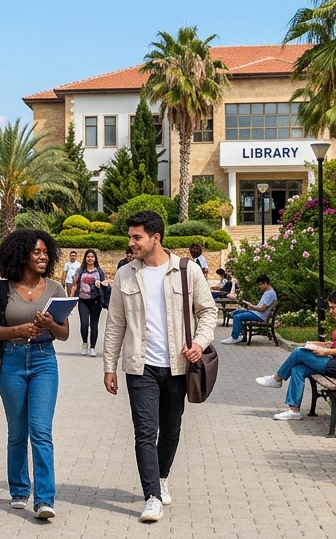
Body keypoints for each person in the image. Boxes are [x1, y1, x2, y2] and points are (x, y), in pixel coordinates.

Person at [103, 210, 217, 524]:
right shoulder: (125, 274)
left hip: (179, 366)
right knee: (144, 432)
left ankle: (162, 477)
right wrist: (109, 367)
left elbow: (208, 312)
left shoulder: (186, 270)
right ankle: (151, 495)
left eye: (136, 236)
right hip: (140, 367)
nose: (131, 242)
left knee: (171, 430)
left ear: (156, 238)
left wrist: (199, 342)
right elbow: (115, 324)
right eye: (130, 236)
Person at [0, 228, 69, 521]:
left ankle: (44, 499)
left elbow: (65, 334)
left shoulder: (56, 289)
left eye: (45, 252)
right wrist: (16, 331)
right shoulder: (2, 289)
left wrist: (50, 324)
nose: (43, 257)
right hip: (12, 360)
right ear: (22, 255)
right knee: (18, 432)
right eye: (37, 252)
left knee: (41, 431)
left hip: (45, 360)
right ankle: (19, 490)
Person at [256, 290, 336, 420]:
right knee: (297, 369)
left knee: (298, 352)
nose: (331, 311)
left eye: (333, 307)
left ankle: (276, 379)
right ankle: (294, 410)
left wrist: (326, 352)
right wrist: (323, 345)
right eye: (329, 307)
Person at [219, 275, 276, 344]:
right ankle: (241, 334)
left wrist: (252, 307)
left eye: (261, 285)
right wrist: (251, 306)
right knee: (235, 313)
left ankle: (235, 337)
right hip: (256, 312)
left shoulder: (270, 294)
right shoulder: (267, 292)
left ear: (266, 283)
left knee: (237, 317)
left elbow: (263, 309)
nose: (260, 287)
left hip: (260, 316)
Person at [74, 249, 107, 357]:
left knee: (94, 325)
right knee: (84, 324)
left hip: (96, 301)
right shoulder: (81, 270)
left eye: (92, 257)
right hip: (83, 300)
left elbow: (106, 282)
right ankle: (84, 344)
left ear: (95, 258)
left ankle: (92, 347)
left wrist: (101, 283)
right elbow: (75, 284)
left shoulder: (99, 271)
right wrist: (71, 298)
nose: (90, 258)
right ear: (85, 258)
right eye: (88, 256)